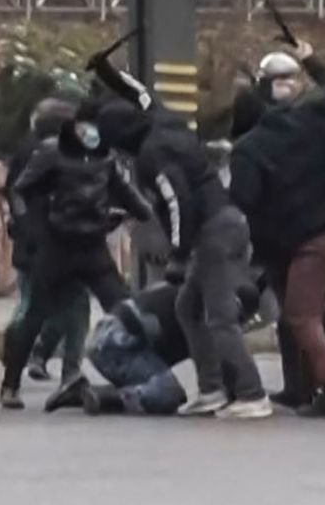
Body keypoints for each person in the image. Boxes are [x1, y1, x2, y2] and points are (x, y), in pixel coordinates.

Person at [92, 53, 272, 420]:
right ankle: (211, 389)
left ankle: (252, 394)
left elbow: (179, 203)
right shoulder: (162, 120)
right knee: (187, 308)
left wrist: (177, 254)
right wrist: (109, 73)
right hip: (222, 224)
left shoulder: (152, 155)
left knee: (219, 317)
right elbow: (140, 92)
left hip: (213, 231)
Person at [229, 40, 325, 417]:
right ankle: (303, 385)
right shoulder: (314, 118)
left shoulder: (249, 149)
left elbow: (244, 200)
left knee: (301, 315)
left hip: (297, 240)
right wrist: (310, 56)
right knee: (309, 307)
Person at [0, 100, 152, 410]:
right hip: (57, 246)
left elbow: (124, 191)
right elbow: (19, 189)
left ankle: (140, 376)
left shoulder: (105, 156)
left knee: (125, 309)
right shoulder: (51, 151)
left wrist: (142, 211)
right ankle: (10, 384)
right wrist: (31, 228)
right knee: (36, 314)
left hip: (93, 246)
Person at [50, 279, 264, 417]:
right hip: (116, 343)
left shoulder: (198, 295)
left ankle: (82, 392)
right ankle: (99, 396)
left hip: (110, 338)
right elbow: (217, 362)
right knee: (168, 393)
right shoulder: (206, 312)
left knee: (168, 384)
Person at [4, 97, 91, 384]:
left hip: (35, 242)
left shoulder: (27, 151)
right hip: (57, 242)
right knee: (71, 305)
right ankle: (65, 369)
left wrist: (22, 225)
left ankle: (25, 356)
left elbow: (14, 193)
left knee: (37, 304)